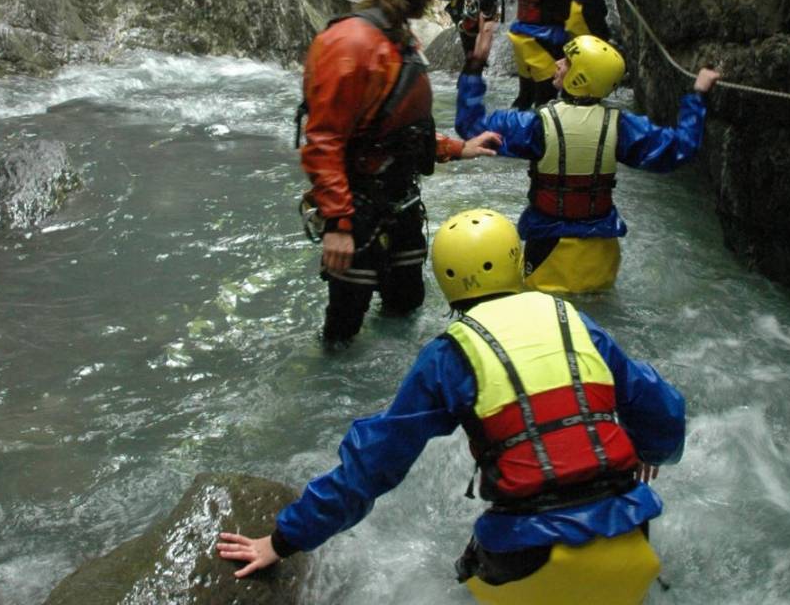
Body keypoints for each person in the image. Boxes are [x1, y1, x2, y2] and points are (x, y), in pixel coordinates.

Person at [218, 209, 686, 605]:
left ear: (446, 281)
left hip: (528, 560)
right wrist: (652, 452)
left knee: (466, 572)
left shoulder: (449, 354)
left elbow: (372, 462)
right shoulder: (575, 323)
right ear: (516, 261)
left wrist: (282, 540)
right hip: (631, 531)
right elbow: (661, 405)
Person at [297, 0, 501, 347]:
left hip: (399, 201)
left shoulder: (398, 38)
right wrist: (338, 223)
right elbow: (323, 140)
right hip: (356, 208)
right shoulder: (351, 43)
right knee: (344, 328)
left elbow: (403, 130)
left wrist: (457, 148)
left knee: (406, 307)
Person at [455, 35, 720, 294]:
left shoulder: (536, 126)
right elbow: (682, 148)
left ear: (581, 76)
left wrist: (474, 66)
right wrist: (698, 94)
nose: (558, 63)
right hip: (603, 254)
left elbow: (472, 129)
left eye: (568, 61)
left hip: (549, 252)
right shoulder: (621, 127)